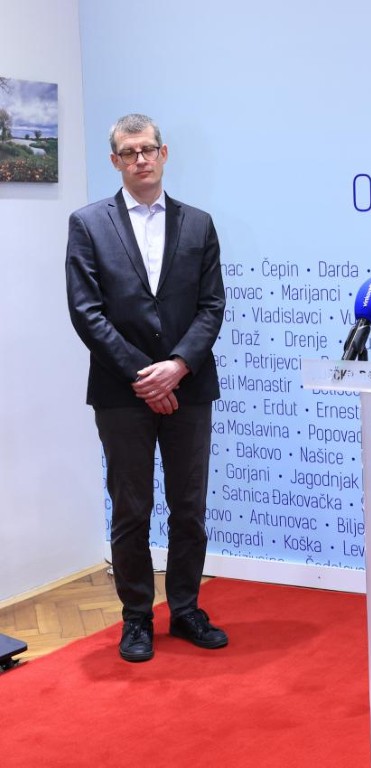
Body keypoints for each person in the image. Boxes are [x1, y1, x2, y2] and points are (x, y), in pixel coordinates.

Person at [65, 113, 228, 663]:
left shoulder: (199, 224)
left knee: (189, 508)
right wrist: (144, 375)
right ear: (115, 160)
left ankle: (185, 610)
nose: (141, 159)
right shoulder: (88, 224)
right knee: (131, 510)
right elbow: (86, 313)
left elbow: (211, 307)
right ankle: (136, 617)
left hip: (189, 388)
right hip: (122, 393)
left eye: (148, 149)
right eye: (129, 152)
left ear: (164, 153)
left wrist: (177, 366)